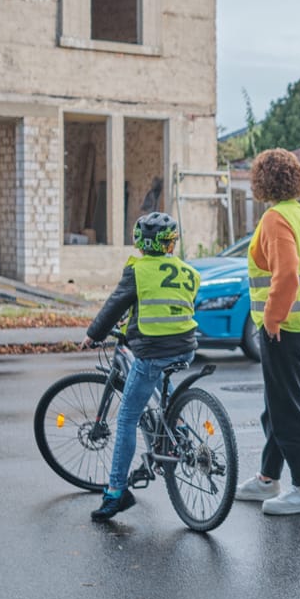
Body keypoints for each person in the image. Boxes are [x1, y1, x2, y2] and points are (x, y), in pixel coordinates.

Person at [81, 212, 199, 520]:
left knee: (127, 419)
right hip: (186, 349)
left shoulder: (138, 270)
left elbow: (115, 304)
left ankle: (115, 493)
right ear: (172, 244)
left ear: (139, 243)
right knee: (162, 384)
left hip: (152, 352)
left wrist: (93, 334)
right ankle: (179, 433)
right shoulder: (189, 272)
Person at [234, 148, 300, 515]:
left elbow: (288, 274)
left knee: (288, 409)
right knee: (278, 405)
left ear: (261, 182)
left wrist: (273, 318)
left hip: (283, 329)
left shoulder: (275, 219)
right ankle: (267, 478)